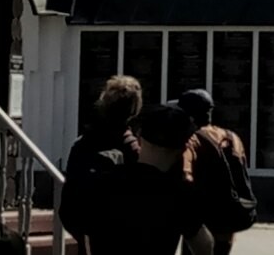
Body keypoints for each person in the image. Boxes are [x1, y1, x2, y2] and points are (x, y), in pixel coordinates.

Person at [78, 103, 214, 255]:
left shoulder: (102, 182)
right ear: (183, 148)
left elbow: (87, 236)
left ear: (139, 135)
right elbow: (204, 245)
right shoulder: (179, 194)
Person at [59, 75, 142, 253]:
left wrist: (85, 236)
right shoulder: (134, 151)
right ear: (134, 110)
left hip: (90, 240)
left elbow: (67, 207)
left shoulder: (82, 145)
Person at [176, 88, 256, 255]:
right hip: (229, 220)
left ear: (188, 116)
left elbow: (185, 177)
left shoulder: (193, 140)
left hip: (203, 225)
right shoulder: (232, 137)